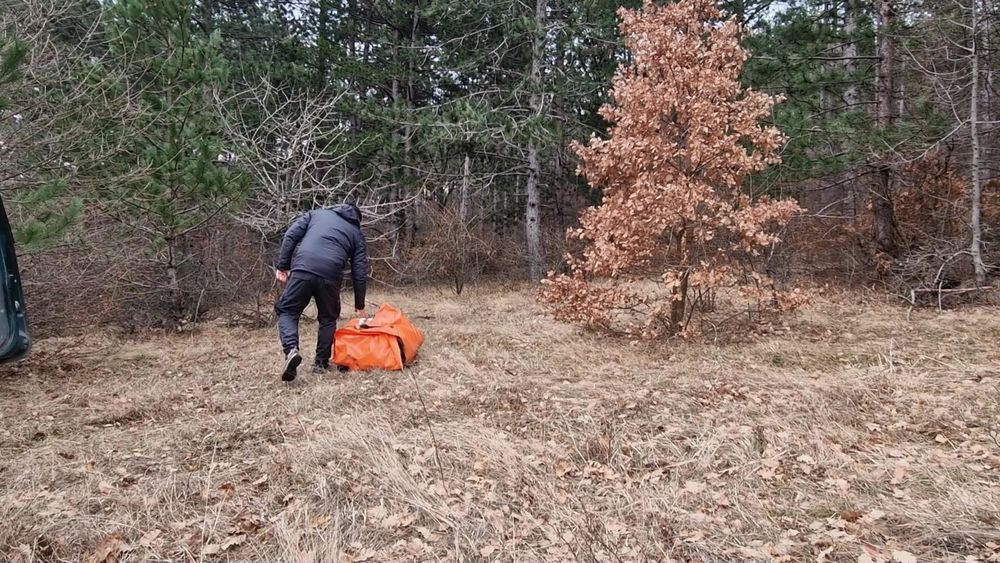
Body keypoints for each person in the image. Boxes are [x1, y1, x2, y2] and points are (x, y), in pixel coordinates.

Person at [274, 203, 368, 381]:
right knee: (328, 318)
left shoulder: (316, 214)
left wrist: (283, 266)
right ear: (357, 220)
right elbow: (360, 271)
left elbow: (291, 236)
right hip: (331, 276)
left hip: (303, 268)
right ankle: (320, 364)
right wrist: (359, 304)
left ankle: (291, 350)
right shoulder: (356, 234)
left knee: (288, 311)